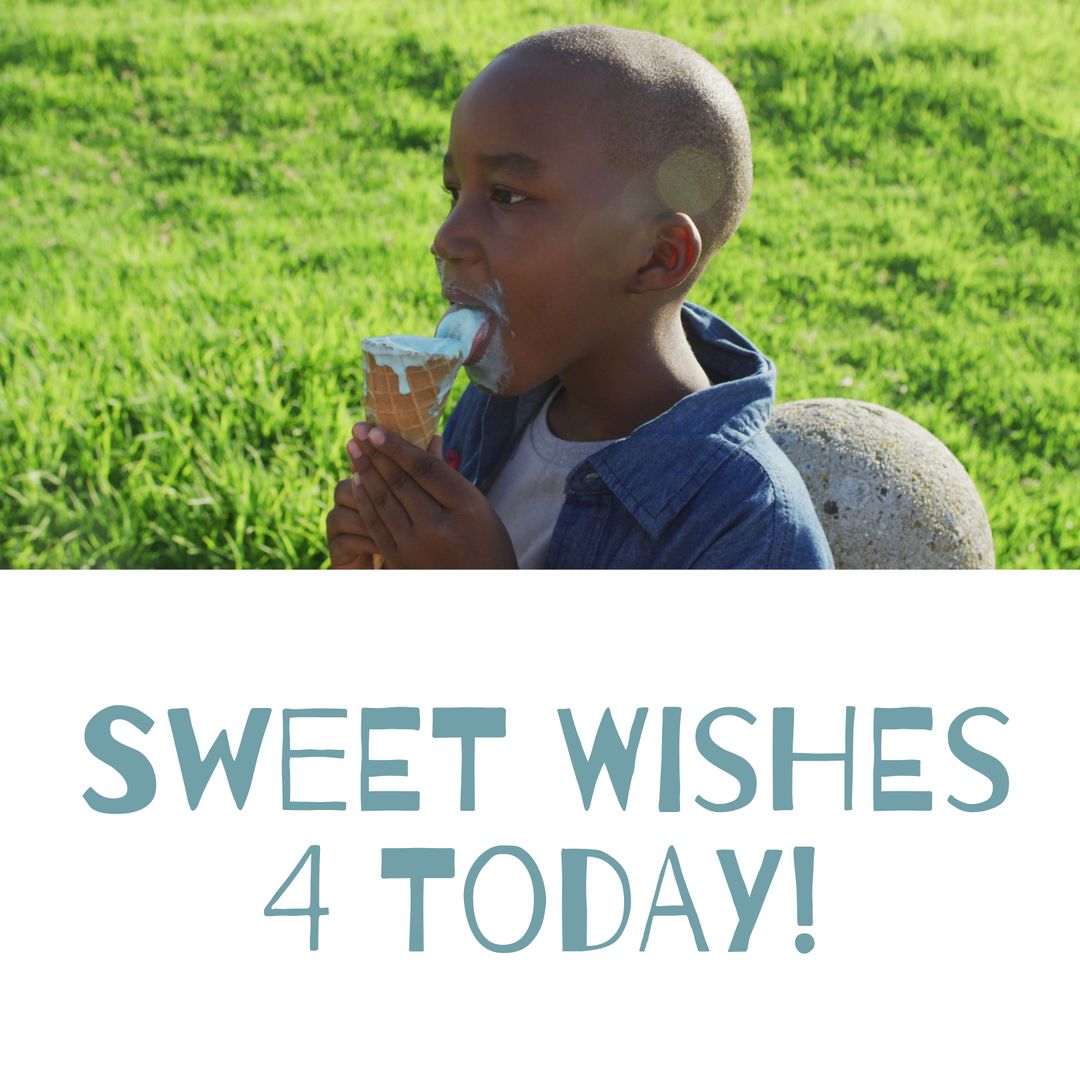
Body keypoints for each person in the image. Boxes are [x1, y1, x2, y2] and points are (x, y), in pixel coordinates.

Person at [327, 24, 833, 569]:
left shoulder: (748, 530)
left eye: (507, 196)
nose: (445, 239)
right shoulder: (490, 409)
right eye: (454, 193)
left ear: (657, 256)